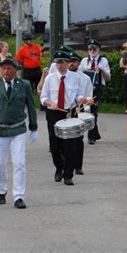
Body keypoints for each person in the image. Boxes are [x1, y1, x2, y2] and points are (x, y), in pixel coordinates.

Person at [0, 56, 38, 209]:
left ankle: (18, 196)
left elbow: (31, 107)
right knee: (0, 164)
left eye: (9, 68)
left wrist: (33, 128)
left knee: (19, 163)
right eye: (3, 68)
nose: (5, 71)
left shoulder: (23, 85)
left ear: (15, 70)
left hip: (17, 129)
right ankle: (1, 190)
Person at [40, 51, 87, 186]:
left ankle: (68, 174)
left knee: (70, 145)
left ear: (67, 63)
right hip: (54, 112)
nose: (59, 65)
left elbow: (79, 95)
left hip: (69, 112)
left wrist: (80, 99)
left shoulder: (75, 78)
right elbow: (43, 97)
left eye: (62, 62)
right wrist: (50, 103)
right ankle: (59, 167)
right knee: (54, 145)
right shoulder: (50, 78)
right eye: (57, 62)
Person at [68, 52, 94, 175]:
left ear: (79, 63)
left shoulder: (85, 78)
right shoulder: (63, 76)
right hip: (65, 110)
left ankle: (78, 166)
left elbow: (89, 95)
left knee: (78, 139)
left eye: (74, 61)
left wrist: (86, 109)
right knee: (65, 139)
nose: (72, 63)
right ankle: (65, 165)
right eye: (70, 61)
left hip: (79, 109)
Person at [80, 39, 111, 145]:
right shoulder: (84, 61)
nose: (92, 50)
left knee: (93, 110)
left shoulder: (103, 61)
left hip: (97, 89)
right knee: (86, 111)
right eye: (90, 48)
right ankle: (95, 133)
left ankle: (91, 136)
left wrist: (101, 70)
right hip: (85, 88)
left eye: (94, 48)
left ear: (98, 49)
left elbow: (108, 78)